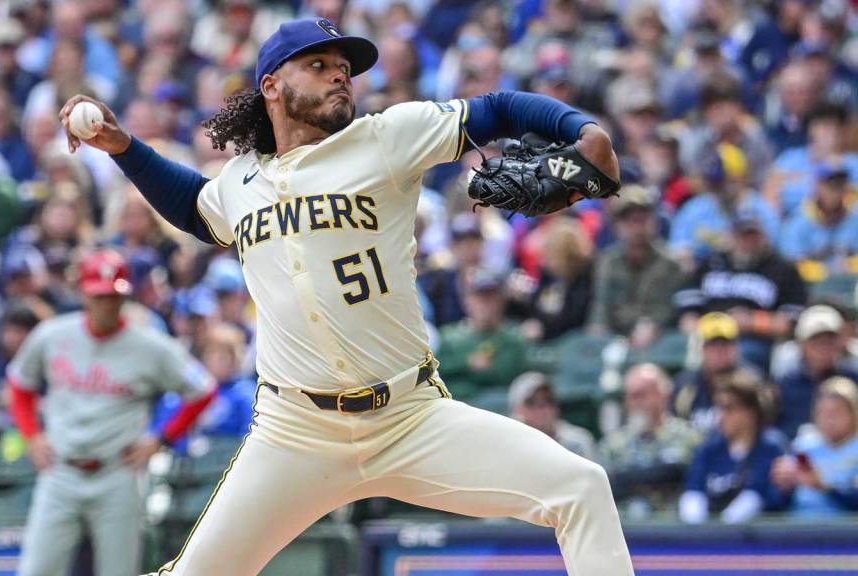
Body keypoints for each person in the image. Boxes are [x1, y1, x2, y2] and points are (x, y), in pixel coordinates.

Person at [61, 17, 633, 575]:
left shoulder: (385, 138)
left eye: (344, 68)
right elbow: (193, 205)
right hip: (294, 433)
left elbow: (500, 108)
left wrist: (583, 130)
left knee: (581, 487)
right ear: (272, 87)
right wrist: (122, 146)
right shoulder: (239, 182)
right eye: (319, 65)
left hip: (410, 419)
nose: (340, 76)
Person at [7, 250, 215, 576]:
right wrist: (32, 437)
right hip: (60, 471)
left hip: (117, 474)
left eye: (113, 296)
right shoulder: (52, 335)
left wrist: (160, 438)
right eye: (99, 295)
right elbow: (19, 385)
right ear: (84, 294)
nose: (107, 303)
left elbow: (202, 389)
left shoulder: (150, 346)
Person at [675, 211, 806, 371]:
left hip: (752, 339)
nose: (747, 242)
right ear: (730, 237)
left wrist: (752, 321)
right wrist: (701, 327)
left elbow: (790, 324)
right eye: (742, 236)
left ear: (762, 237)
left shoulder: (781, 268)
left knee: (744, 355)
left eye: (752, 235)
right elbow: (687, 312)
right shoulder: (710, 263)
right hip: (707, 336)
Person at [679, 370, 787, 525]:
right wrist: (697, 531)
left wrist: (722, 532)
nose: (721, 416)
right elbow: (693, 491)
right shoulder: (709, 448)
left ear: (751, 412)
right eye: (719, 407)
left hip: (755, 541)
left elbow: (759, 497)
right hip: (706, 538)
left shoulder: (771, 446)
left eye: (729, 408)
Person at [588, 186, 683, 347]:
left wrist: (651, 326)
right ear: (616, 226)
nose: (637, 226)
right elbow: (600, 309)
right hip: (614, 339)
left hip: (659, 339)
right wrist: (597, 332)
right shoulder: (608, 262)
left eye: (643, 218)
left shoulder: (671, 262)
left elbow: (669, 309)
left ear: (654, 221)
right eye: (629, 220)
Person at [598, 363, 700, 513]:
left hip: (673, 528)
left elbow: (687, 477)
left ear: (664, 395)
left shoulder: (689, 436)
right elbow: (603, 488)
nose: (633, 403)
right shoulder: (612, 444)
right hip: (624, 528)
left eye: (640, 395)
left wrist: (626, 480)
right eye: (628, 396)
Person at [436, 269, 529, 401]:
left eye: (491, 298)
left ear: (501, 301)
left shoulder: (514, 339)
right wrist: (466, 363)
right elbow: (436, 373)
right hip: (459, 407)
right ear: (466, 302)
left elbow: (515, 375)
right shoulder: (449, 337)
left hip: (502, 409)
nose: (485, 304)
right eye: (479, 298)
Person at [770, 377, 858, 517]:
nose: (829, 420)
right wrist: (784, 486)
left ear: (854, 414)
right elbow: (775, 503)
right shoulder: (803, 446)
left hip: (845, 532)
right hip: (798, 527)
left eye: (836, 413)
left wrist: (822, 486)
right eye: (822, 413)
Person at [775, 305, 858, 440]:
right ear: (802, 344)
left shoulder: (854, 378)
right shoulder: (786, 383)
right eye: (816, 341)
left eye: (830, 340)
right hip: (799, 454)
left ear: (840, 344)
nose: (823, 348)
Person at [672, 312, 759, 435]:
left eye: (725, 344)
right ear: (700, 348)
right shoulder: (685, 386)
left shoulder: (752, 384)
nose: (719, 351)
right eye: (712, 344)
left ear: (735, 347)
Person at [508, 371, 595, 459]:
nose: (543, 408)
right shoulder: (507, 443)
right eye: (532, 402)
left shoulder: (577, 441)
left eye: (549, 400)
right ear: (516, 409)